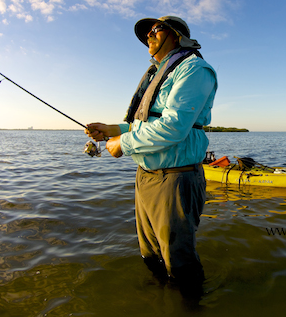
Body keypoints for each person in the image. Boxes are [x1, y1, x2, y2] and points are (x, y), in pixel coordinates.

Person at [85, 16, 217, 298]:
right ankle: (160, 301)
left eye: (154, 30)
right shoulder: (158, 74)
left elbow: (174, 127)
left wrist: (124, 143)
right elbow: (145, 123)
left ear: (176, 35)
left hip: (175, 178)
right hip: (145, 178)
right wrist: (112, 129)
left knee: (180, 263)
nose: (148, 36)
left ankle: (190, 306)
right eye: (146, 34)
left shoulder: (194, 69)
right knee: (151, 256)